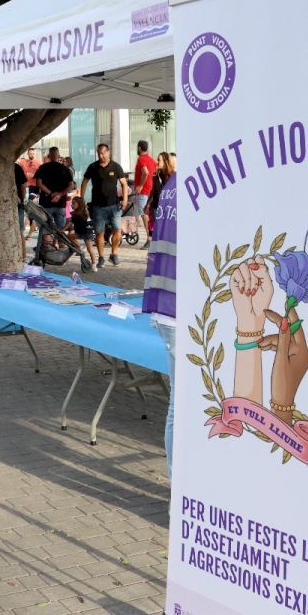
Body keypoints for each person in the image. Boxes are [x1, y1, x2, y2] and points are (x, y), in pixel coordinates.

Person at [141, 155, 177, 474]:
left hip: (165, 305)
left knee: (177, 402)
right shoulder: (198, 189)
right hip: (178, 309)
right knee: (182, 403)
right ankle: (177, 480)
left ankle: (175, 478)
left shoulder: (171, 187)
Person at [79, 143, 129, 269]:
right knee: (99, 232)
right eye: (98, 154)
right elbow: (84, 182)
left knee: (117, 229)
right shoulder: (93, 167)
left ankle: (114, 254)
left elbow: (124, 184)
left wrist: (125, 199)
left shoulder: (116, 167)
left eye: (102, 153)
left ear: (108, 152)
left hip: (114, 205)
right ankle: (101, 257)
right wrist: (81, 199)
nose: (100, 156)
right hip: (98, 206)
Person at [34, 147, 74, 232]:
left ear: (49, 156)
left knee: (46, 231)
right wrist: (59, 195)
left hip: (46, 203)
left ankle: (48, 240)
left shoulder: (43, 168)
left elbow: (39, 183)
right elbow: (71, 185)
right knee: (60, 231)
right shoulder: (65, 169)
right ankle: (58, 240)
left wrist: (51, 194)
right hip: (60, 203)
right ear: (58, 156)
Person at [132, 140, 156, 247]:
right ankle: (151, 238)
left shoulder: (141, 159)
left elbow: (145, 172)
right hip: (150, 190)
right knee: (147, 214)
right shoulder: (152, 160)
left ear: (139, 148)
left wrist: (141, 185)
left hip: (143, 191)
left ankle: (149, 239)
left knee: (144, 214)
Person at [65, 196, 97, 267]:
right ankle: (94, 265)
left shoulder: (76, 214)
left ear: (79, 205)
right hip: (87, 232)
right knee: (90, 249)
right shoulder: (85, 212)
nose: (72, 205)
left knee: (70, 236)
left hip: (82, 233)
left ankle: (80, 248)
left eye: (74, 203)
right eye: (72, 203)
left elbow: (70, 223)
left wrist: (63, 229)